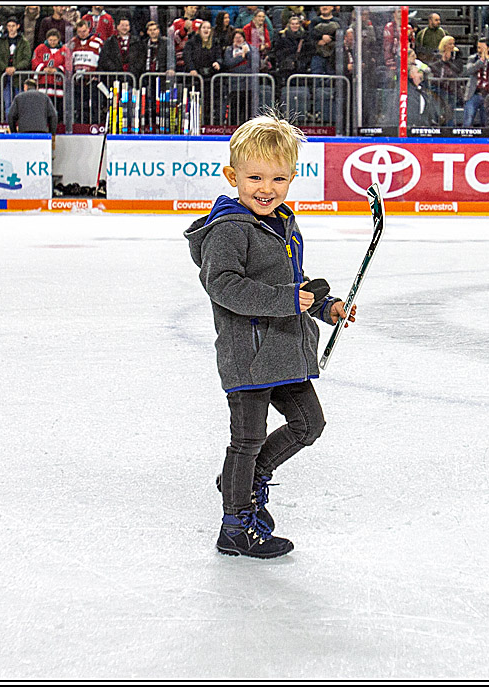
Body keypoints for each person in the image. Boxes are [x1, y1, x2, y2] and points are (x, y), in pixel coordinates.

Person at [183, 114, 354, 559]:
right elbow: (222, 284)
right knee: (247, 439)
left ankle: (246, 476)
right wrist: (286, 300)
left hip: (285, 350)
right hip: (249, 357)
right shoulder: (229, 229)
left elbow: (294, 284)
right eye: (255, 177)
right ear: (232, 176)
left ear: (292, 178)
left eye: (278, 178)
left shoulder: (282, 221)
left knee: (308, 424)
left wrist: (326, 305)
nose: (267, 187)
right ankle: (236, 526)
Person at [0, 17, 32, 120]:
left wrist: (15, 68)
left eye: (13, 26)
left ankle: (20, 126)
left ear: (17, 27)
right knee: (7, 103)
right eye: (9, 26)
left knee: (20, 103)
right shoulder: (2, 41)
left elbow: (26, 59)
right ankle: (8, 124)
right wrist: (5, 68)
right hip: (5, 77)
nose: (11, 28)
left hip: (19, 78)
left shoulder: (24, 42)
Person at [462, 36, 489, 127]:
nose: (480, 50)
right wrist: (481, 61)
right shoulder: (472, 58)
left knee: (486, 122)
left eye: (482, 48)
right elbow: (468, 70)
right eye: (478, 47)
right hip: (474, 93)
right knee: (468, 120)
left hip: (488, 94)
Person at [32, 28, 68, 123]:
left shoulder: (64, 50)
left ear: (58, 39)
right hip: (44, 85)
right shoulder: (40, 48)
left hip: (58, 87)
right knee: (43, 108)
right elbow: (35, 62)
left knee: (58, 109)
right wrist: (43, 68)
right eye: (50, 40)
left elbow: (67, 64)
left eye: (55, 40)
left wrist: (57, 70)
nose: (52, 42)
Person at [171, 6, 202, 71]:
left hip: (195, 59)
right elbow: (173, 40)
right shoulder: (176, 22)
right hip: (180, 59)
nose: (194, 10)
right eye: (191, 7)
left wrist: (192, 34)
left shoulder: (200, 23)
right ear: (185, 8)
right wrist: (184, 30)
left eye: (195, 8)